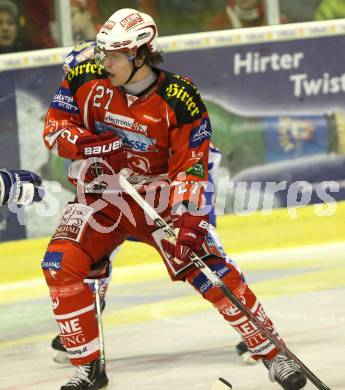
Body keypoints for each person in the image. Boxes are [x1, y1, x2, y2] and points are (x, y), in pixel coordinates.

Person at [42, 8, 307, 390]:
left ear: (141, 54)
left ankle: (273, 353)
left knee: (212, 271)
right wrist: (89, 144)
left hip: (160, 197)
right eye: (103, 53)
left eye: (114, 54)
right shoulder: (85, 79)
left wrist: (190, 219)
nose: (104, 62)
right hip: (104, 196)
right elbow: (54, 129)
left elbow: (192, 167)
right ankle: (88, 366)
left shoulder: (180, 97)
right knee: (59, 263)